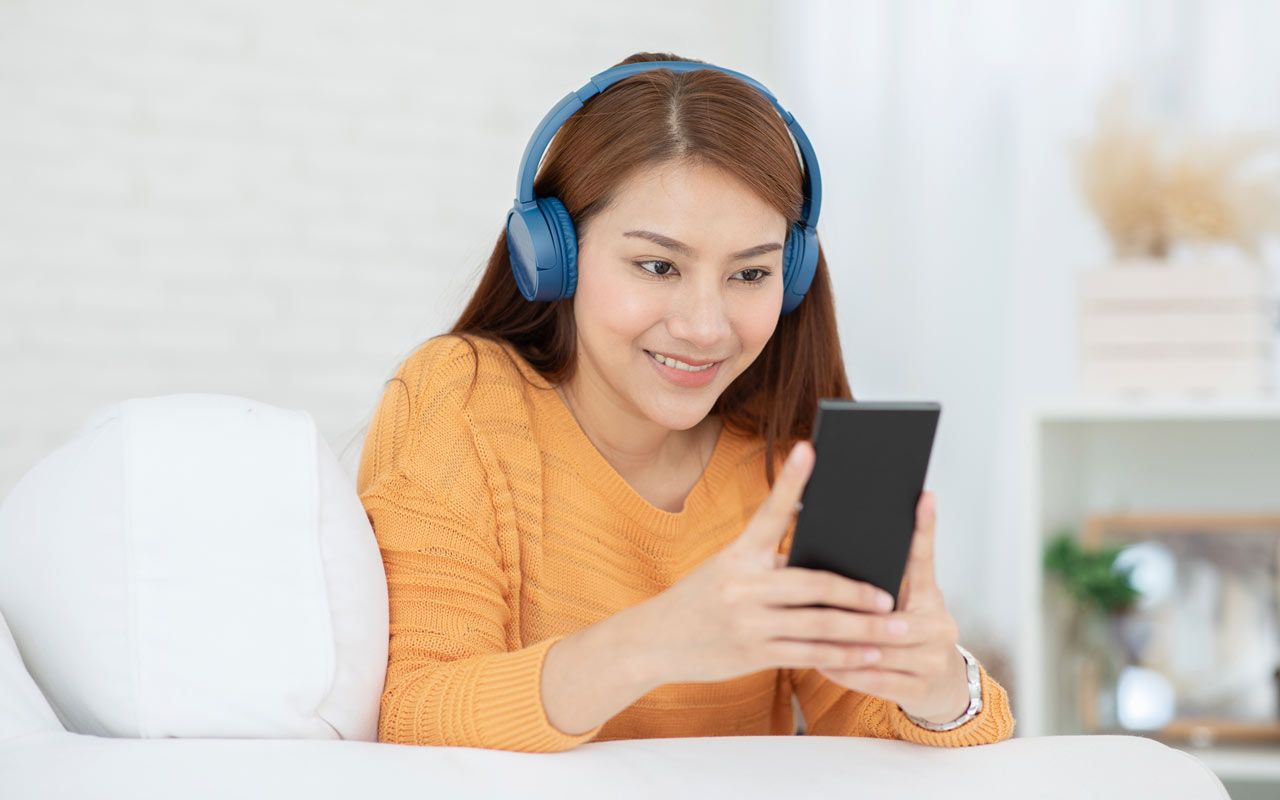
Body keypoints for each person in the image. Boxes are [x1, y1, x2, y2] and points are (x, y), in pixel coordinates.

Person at [355, 51, 1015, 753]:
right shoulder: (461, 401)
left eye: (751, 273)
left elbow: (864, 724)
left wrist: (934, 685)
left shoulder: (784, 454)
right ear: (555, 257)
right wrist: (655, 643)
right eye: (659, 266)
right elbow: (414, 713)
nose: (706, 326)